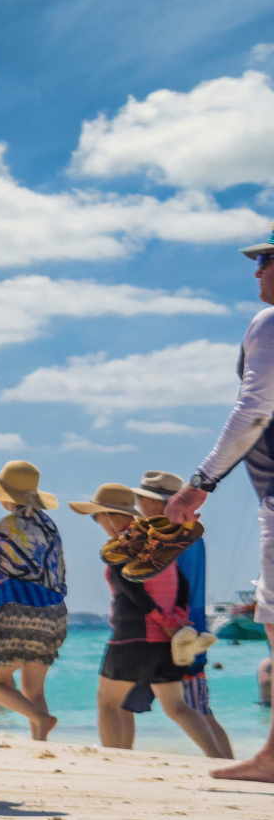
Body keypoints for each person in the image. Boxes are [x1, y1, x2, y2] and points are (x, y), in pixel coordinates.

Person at [166, 222, 274, 781]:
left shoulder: (270, 323)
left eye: (265, 259)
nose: (256, 270)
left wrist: (200, 482)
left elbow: (255, 410)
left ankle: (273, 757)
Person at [79, 485, 228, 757]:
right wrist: (177, 619)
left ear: (111, 516)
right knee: (178, 708)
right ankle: (217, 759)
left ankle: (114, 762)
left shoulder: (121, 545)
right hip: (166, 639)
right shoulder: (158, 541)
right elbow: (183, 584)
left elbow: (133, 593)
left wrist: (163, 618)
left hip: (133, 634)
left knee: (108, 702)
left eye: (96, 516)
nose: (97, 522)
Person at [0, 461, 67, 741]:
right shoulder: (50, 524)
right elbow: (59, 574)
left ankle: (41, 719)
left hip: (17, 610)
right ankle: (40, 744)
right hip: (54, 612)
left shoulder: (7, 525)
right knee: (34, 689)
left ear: (6, 495)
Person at [135, 472, 228, 756]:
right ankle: (225, 761)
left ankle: (221, 762)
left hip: (175, 629)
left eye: (142, 498)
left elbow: (165, 585)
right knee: (196, 707)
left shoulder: (166, 535)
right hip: (190, 626)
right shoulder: (191, 533)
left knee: (189, 708)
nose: (138, 502)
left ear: (156, 503)